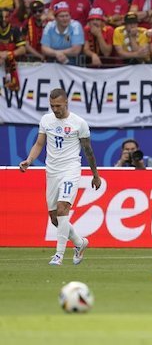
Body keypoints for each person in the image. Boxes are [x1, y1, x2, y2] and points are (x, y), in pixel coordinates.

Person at [19, 88, 101, 266]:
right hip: (52, 172)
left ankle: (58, 255)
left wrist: (95, 175)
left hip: (70, 170)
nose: (55, 109)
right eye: (52, 106)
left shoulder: (79, 123)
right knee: (55, 217)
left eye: (58, 106)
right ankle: (80, 243)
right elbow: (39, 143)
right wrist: (29, 160)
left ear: (66, 103)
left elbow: (88, 151)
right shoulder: (46, 120)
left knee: (63, 207)